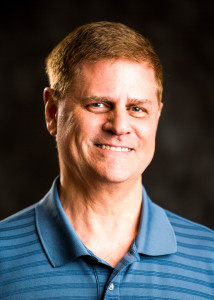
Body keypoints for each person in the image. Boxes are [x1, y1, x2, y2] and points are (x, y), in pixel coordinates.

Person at [0, 21, 213, 299]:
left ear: (157, 117)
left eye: (137, 109)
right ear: (52, 112)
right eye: (98, 104)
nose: (119, 126)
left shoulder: (209, 259)